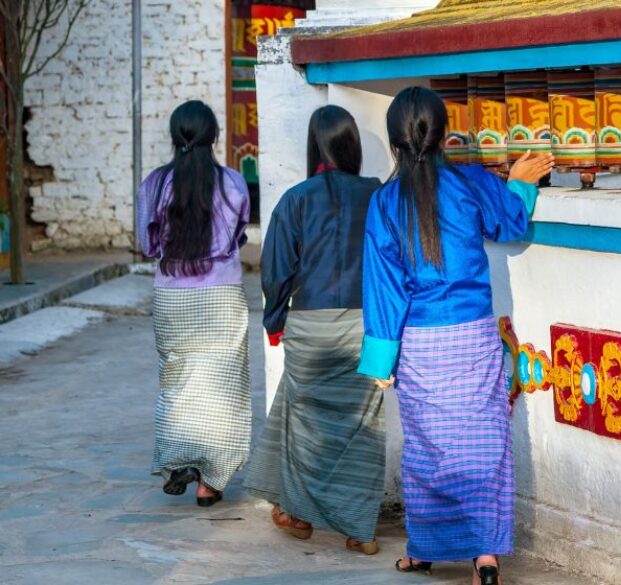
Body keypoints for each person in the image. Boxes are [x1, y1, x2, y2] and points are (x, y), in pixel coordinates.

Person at [358, 87, 554, 585]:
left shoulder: (383, 204)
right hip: (474, 337)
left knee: (427, 451)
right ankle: (484, 559)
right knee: (484, 443)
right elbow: (510, 222)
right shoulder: (470, 183)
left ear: (395, 141)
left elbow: (384, 288)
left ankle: (423, 550)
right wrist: (519, 182)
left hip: (420, 345)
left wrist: (381, 360)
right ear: (444, 134)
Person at [245, 105, 386, 554]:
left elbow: (276, 270)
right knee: (363, 426)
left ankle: (299, 515)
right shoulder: (377, 194)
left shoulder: (295, 198)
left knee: (305, 424)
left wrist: (273, 321)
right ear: (352, 145)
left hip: (308, 325)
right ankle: (359, 531)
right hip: (366, 326)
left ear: (314, 145)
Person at [136, 100, 251, 507]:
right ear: (214, 136)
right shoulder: (234, 183)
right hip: (221, 294)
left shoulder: (153, 184)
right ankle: (210, 482)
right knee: (223, 386)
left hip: (172, 294)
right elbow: (239, 236)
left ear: (174, 137)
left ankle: (178, 461)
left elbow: (147, 245)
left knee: (178, 380)